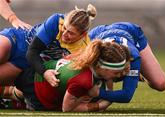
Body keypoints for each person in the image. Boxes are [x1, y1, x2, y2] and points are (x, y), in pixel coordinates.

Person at [3, 39, 132, 111]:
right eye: (116, 72)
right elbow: (67, 109)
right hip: (37, 88)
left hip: (40, 75)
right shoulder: (84, 80)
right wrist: (100, 105)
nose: (120, 75)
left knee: (14, 92)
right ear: (100, 67)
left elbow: (108, 77)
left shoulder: (88, 58)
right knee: (14, 95)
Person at [0, 4, 96, 86]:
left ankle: (8, 95)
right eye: (64, 27)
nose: (64, 33)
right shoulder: (56, 21)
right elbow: (32, 51)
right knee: (2, 50)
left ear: (83, 34)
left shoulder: (84, 49)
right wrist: (45, 72)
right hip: (18, 40)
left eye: (71, 33)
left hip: (26, 63)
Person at [88, 22, 165, 103]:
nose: (120, 75)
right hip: (98, 32)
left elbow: (126, 96)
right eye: (116, 73)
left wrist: (98, 93)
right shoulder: (89, 54)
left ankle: (137, 71)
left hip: (130, 31)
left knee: (160, 84)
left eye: (120, 72)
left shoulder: (133, 57)